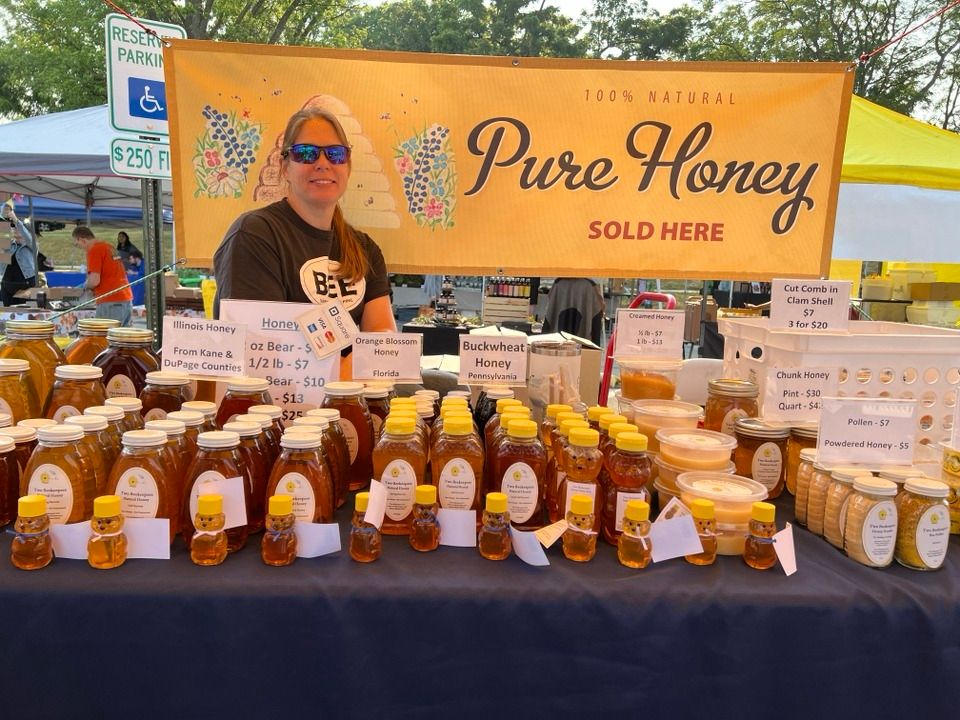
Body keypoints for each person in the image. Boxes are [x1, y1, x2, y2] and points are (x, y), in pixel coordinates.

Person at [213, 106, 396, 379]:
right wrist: (355, 367)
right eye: (306, 154)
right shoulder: (254, 235)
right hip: (274, 413)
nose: (323, 163)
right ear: (285, 167)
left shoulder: (365, 248)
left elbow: (384, 339)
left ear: (348, 165)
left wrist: (352, 368)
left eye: (335, 154)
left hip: (347, 408)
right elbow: (262, 351)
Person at [72, 226, 133, 326]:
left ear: (82, 240)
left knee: (105, 338)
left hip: (110, 301)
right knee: (121, 339)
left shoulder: (94, 250)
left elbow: (94, 280)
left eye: (77, 244)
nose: (81, 248)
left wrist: (85, 286)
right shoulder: (109, 247)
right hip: (125, 298)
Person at [0, 203, 38, 306]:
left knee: (27, 314)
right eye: (13, 228)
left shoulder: (31, 246)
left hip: (26, 286)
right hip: (7, 285)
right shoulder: (9, 245)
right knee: (7, 314)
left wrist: (16, 221)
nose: (14, 229)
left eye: (17, 228)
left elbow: (28, 237)